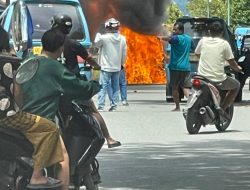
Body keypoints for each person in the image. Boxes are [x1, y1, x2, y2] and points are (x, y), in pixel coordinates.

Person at [20, 29, 101, 190]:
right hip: (43, 120)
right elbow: (80, 88)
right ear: (60, 48)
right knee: (63, 159)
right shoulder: (55, 68)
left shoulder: (28, 61)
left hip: (22, 118)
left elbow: (17, 87)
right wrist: (95, 80)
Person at [0, 26, 63, 189]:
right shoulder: (10, 61)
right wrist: (20, 108)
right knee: (49, 128)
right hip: (7, 116)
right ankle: (37, 176)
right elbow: (18, 92)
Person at [51, 14, 121, 148]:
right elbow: (89, 58)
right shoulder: (73, 43)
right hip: (73, 84)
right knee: (92, 110)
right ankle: (109, 138)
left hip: (53, 84)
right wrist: (97, 67)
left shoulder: (48, 42)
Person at [195, 21, 242, 111]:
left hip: (201, 76)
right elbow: (232, 62)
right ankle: (222, 108)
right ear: (222, 33)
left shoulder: (202, 41)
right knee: (236, 85)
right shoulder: (224, 44)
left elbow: (197, 54)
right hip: (218, 79)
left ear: (209, 32)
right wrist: (238, 68)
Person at [94, 17, 127, 112]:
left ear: (107, 27)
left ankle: (101, 105)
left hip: (105, 66)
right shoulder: (122, 39)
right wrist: (122, 64)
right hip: (117, 67)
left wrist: (98, 35)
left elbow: (96, 44)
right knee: (115, 86)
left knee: (103, 86)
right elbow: (124, 53)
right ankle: (114, 105)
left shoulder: (103, 38)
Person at [159, 22, 193, 111]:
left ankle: (177, 107)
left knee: (174, 87)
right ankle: (191, 105)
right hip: (186, 67)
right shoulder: (189, 39)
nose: (174, 31)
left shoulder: (177, 38)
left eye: (175, 30)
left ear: (181, 30)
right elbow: (193, 49)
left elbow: (169, 38)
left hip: (175, 67)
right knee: (186, 87)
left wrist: (161, 37)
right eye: (173, 29)